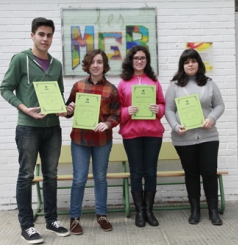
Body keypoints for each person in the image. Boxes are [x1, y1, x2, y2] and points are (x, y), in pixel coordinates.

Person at [0, 17, 70, 244]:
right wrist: (24, 109)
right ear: (32, 35)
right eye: (41, 34)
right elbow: (5, 88)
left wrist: (64, 109)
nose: (45, 39)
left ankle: (52, 220)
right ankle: (27, 226)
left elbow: (58, 94)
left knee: (51, 175)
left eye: (49, 35)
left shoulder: (57, 64)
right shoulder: (21, 59)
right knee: (26, 176)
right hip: (28, 128)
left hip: (53, 129)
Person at [165, 49, 225, 225]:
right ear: (182, 65)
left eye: (193, 61)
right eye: (186, 62)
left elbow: (219, 105)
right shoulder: (175, 85)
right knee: (191, 174)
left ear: (199, 63)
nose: (190, 64)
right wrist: (175, 126)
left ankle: (213, 211)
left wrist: (211, 118)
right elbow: (169, 109)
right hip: (184, 139)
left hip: (208, 137)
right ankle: (195, 211)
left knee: (209, 173)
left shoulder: (209, 83)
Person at [65, 49, 120, 235]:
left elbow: (117, 114)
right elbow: (67, 111)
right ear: (88, 65)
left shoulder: (112, 89)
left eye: (99, 62)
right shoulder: (78, 86)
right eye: (92, 62)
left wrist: (107, 124)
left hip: (102, 141)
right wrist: (69, 108)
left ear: (104, 65)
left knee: (100, 178)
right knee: (79, 179)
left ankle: (101, 215)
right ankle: (74, 218)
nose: (96, 65)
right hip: (80, 140)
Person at [117, 45, 165, 228]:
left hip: (153, 133)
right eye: (136, 58)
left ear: (147, 60)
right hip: (132, 134)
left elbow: (162, 105)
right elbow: (117, 111)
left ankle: (149, 211)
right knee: (136, 172)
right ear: (131, 60)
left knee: (151, 172)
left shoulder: (154, 81)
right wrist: (127, 111)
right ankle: (139, 212)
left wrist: (157, 109)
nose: (139, 61)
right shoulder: (123, 83)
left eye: (142, 58)